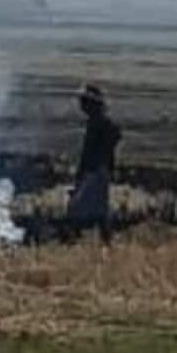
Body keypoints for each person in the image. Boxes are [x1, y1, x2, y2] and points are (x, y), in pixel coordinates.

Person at [67, 83, 122, 246]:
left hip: (96, 171)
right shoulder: (96, 122)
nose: (81, 105)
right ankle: (105, 241)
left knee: (80, 206)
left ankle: (76, 240)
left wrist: (95, 166)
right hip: (97, 170)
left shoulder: (100, 123)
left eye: (84, 102)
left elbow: (103, 146)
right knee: (98, 207)